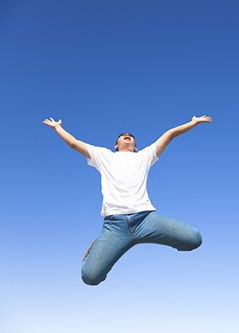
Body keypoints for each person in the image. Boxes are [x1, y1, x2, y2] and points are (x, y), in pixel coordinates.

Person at [43, 116, 212, 285]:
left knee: (194, 239)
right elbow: (73, 143)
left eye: (131, 135)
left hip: (146, 219)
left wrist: (193, 122)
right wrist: (57, 127)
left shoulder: (144, 156)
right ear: (116, 145)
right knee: (90, 278)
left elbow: (170, 134)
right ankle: (102, 245)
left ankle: (148, 237)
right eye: (123, 135)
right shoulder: (103, 155)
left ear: (135, 146)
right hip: (115, 226)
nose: (127, 135)